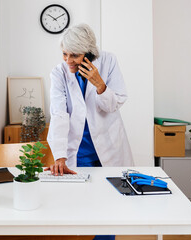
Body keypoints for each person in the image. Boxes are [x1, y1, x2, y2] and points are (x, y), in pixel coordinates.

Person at [46, 24, 134, 240]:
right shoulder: (59, 73)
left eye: (74, 55)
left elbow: (114, 104)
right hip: (78, 149)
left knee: (110, 204)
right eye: (65, 54)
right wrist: (59, 155)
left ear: (89, 53)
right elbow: (58, 114)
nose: (68, 61)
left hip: (108, 146)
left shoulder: (109, 61)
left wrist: (99, 84)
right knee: (83, 204)